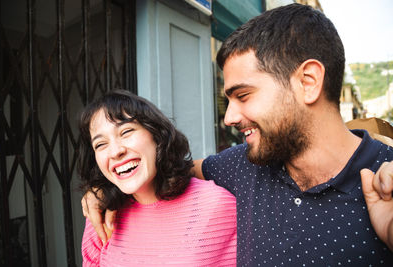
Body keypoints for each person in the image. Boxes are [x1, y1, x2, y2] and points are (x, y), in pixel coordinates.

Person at [82, 4, 393, 265]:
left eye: (243, 95)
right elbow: (170, 167)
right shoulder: (243, 166)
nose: (229, 117)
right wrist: (103, 189)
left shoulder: (386, 182)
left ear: (308, 82)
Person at [78, 90, 236, 266]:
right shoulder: (100, 214)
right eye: (100, 144)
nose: (115, 151)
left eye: (126, 132)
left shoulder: (216, 205)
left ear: (157, 134)